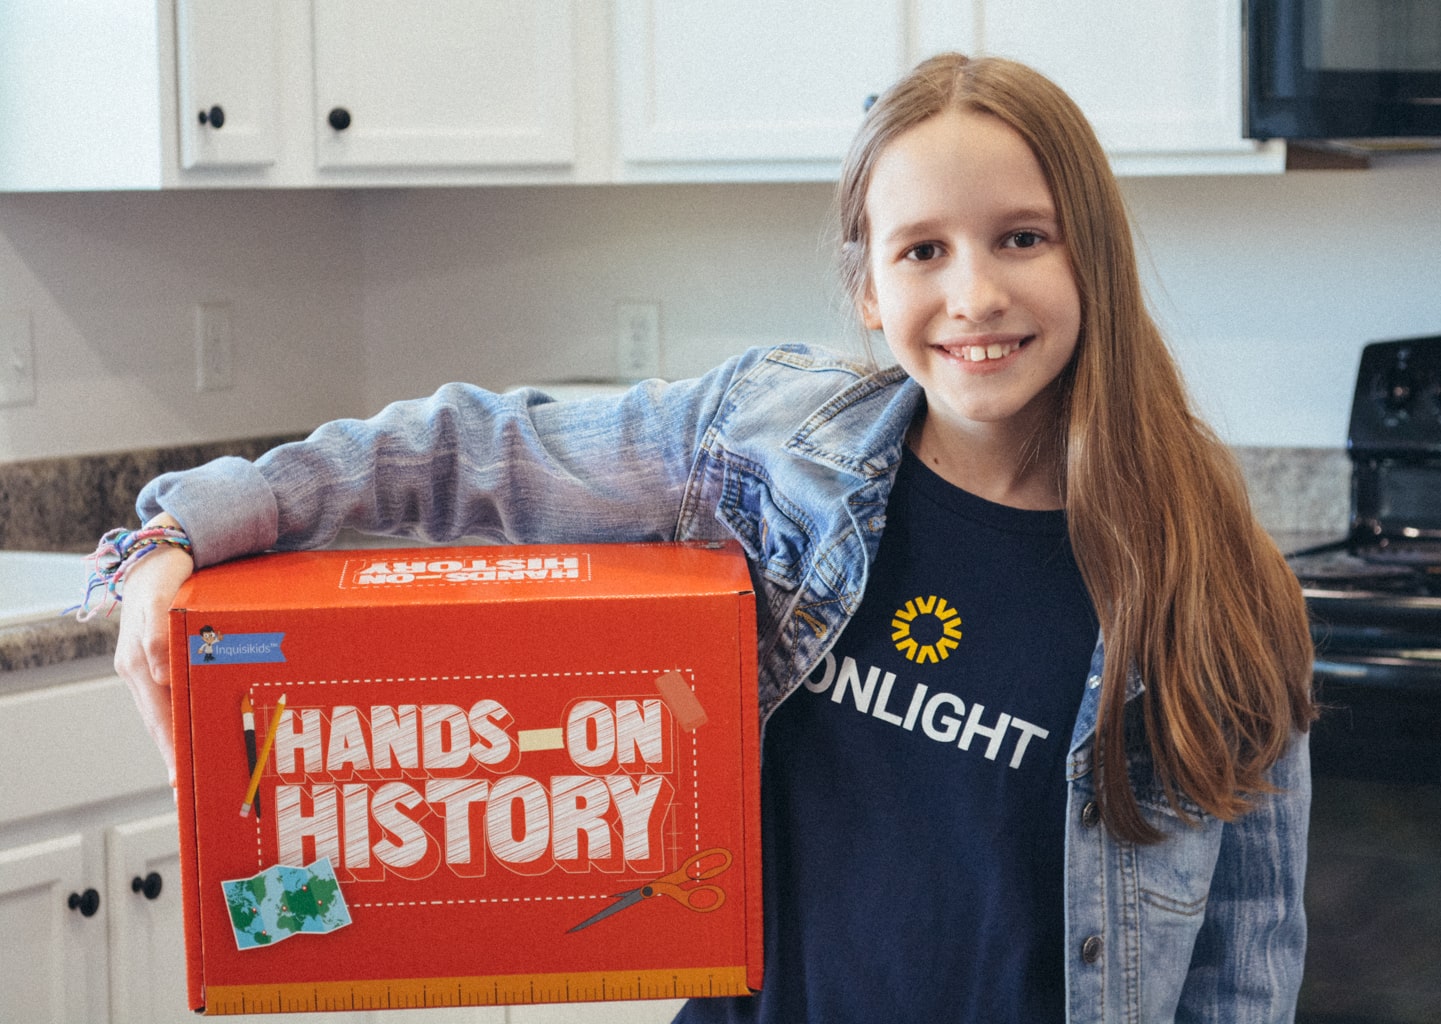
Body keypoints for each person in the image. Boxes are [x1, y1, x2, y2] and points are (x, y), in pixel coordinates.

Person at [106, 52, 1316, 1024]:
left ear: (1090, 255)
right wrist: (185, 528)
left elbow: (1246, 955)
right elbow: (481, 453)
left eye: (1021, 237)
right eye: (922, 250)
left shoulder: (1210, 579)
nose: (974, 297)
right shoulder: (769, 446)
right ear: (867, 285)